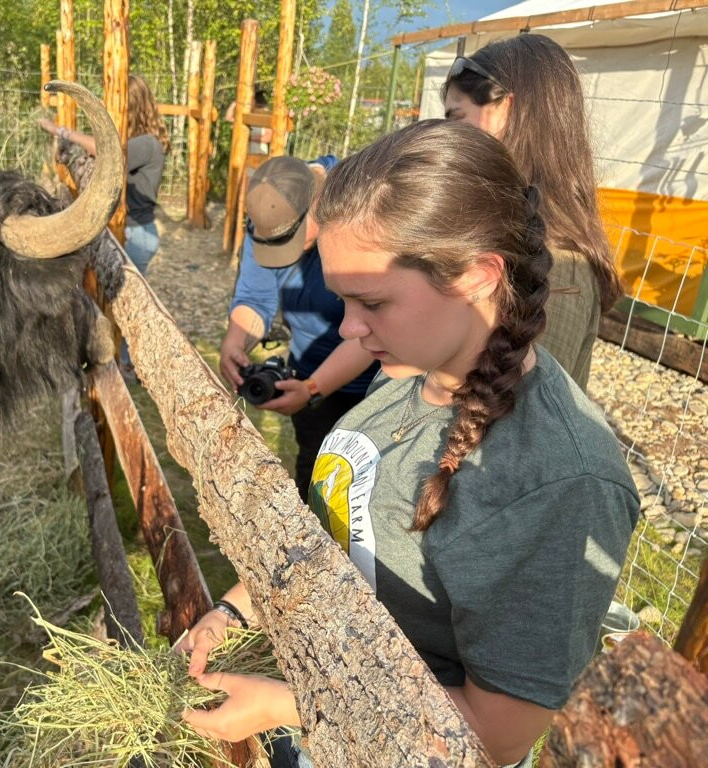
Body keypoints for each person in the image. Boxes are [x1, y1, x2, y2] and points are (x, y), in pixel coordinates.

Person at [181, 120, 639, 767]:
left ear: (478, 275)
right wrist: (232, 612)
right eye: (342, 298)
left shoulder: (558, 481)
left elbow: (499, 734)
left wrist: (290, 704)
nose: (348, 326)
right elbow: (334, 548)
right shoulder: (409, 374)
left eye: (371, 300)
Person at [442, 33, 622, 391]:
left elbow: (525, 418)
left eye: (456, 118)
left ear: (504, 112)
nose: (448, 136)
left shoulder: (561, 266)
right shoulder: (506, 233)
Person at [221, 155, 380, 502]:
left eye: (293, 244)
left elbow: (371, 328)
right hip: (308, 377)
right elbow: (256, 297)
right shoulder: (270, 209)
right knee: (316, 483)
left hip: (375, 386)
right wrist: (235, 342)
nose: (285, 257)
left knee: (369, 494)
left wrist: (313, 388)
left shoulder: (361, 208)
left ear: (319, 205)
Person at [39, 74, 169, 372]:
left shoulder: (146, 144)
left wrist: (62, 131)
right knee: (115, 302)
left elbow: (106, 150)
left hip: (135, 233)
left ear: (129, 105)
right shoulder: (138, 141)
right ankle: (122, 364)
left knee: (125, 305)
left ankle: (127, 367)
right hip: (128, 231)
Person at [225, 88, 274, 156]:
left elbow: (269, 137)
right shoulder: (246, 112)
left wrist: (249, 138)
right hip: (242, 153)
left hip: (258, 153)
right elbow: (228, 118)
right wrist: (236, 101)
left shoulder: (265, 113)